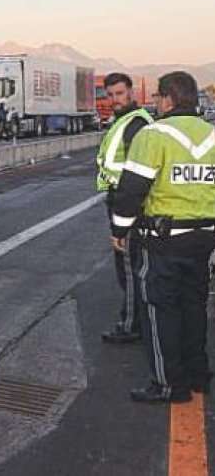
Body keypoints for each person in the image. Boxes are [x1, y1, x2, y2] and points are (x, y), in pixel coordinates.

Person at [111, 71, 215, 403]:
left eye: (157, 97)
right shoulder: (212, 135)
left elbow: (131, 191)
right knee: (195, 305)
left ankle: (169, 384)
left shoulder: (154, 135)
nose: (155, 102)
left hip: (164, 239)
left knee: (160, 309)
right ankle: (199, 374)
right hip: (205, 239)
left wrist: (120, 230)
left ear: (168, 98)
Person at [96, 73, 153, 343]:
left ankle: (132, 325)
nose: (115, 99)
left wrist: (125, 215)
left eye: (119, 94)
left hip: (128, 204)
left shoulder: (136, 123)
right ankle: (136, 319)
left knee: (129, 268)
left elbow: (136, 172)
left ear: (131, 93)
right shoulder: (123, 121)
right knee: (128, 267)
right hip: (121, 200)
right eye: (110, 95)